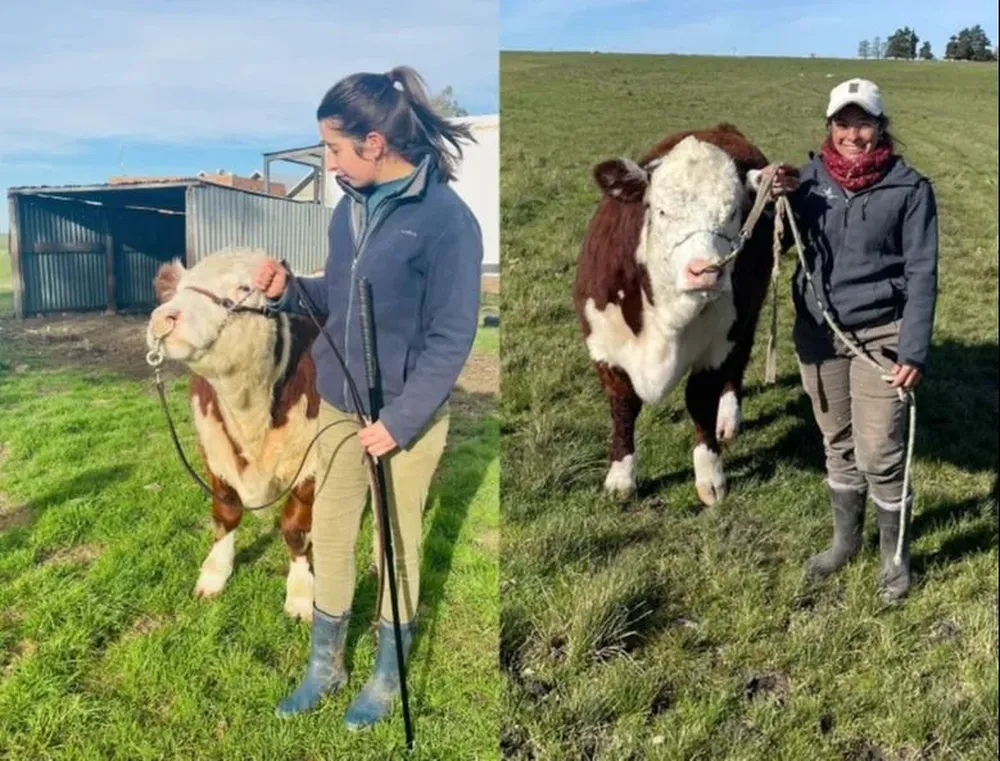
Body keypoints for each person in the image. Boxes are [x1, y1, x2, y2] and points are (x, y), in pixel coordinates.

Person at [253, 65, 483, 726]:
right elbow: (339, 294)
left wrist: (402, 420)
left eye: (333, 148)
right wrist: (289, 290)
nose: (328, 161)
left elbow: (451, 335)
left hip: (403, 416)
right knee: (329, 528)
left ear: (375, 143)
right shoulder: (348, 210)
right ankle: (324, 665)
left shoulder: (447, 223)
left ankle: (386, 675)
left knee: (397, 542)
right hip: (338, 399)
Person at [768, 77, 938, 602]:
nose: (853, 134)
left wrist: (913, 349)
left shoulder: (910, 189)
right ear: (830, 127)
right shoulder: (807, 183)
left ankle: (894, 556)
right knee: (836, 443)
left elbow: (924, 273)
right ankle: (845, 543)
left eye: (863, 123)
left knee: (880, 450)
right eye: (843, 123)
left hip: (881, 335)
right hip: (818, 336)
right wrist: (775, 196)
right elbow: (778, 244)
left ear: (880, 127)